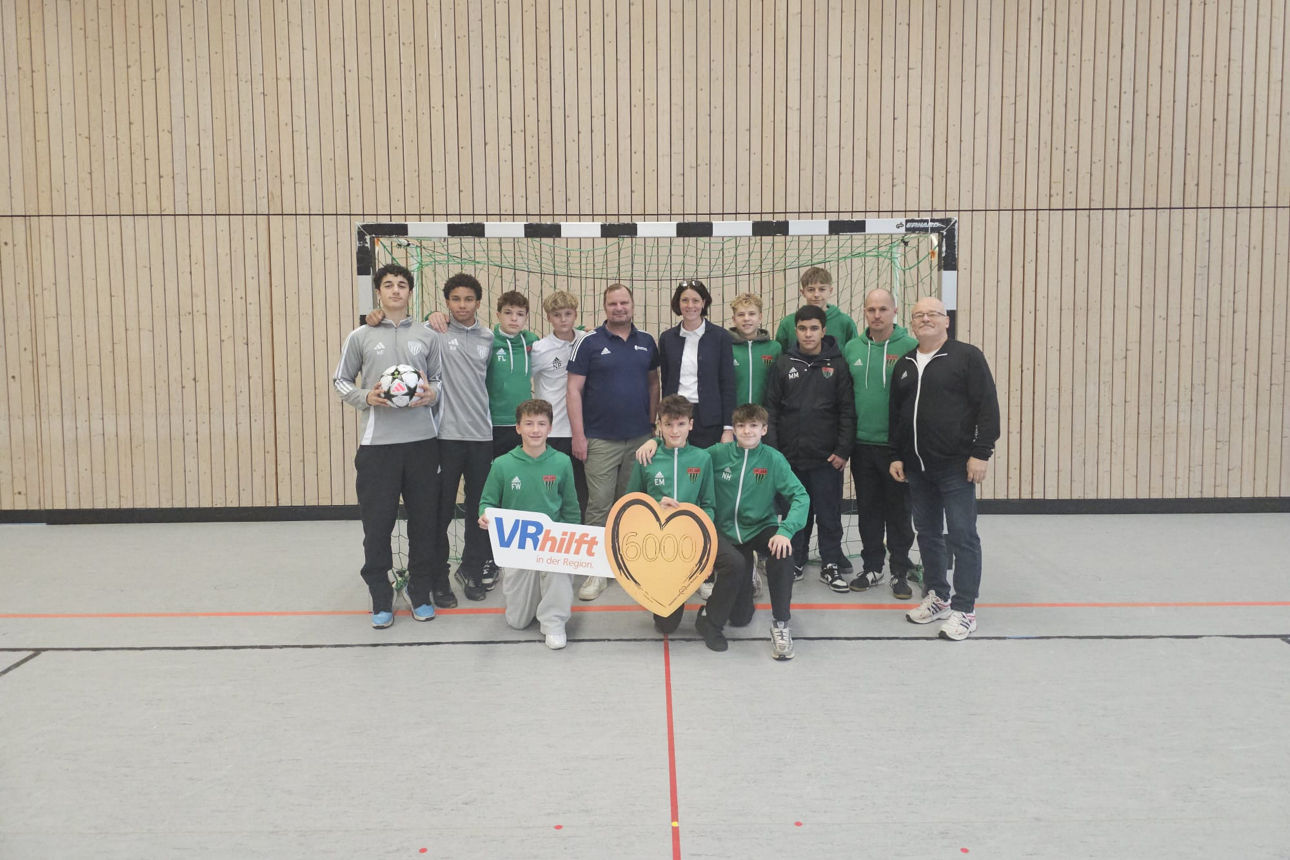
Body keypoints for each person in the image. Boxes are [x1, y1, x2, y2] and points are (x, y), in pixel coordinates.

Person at [637, 402, 810, 660]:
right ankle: (740, 581)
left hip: (761, 528)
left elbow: (801, 496)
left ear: (764, 430)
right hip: (725, 531)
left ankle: (781, 624)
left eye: (753, 426)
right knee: (738, 615)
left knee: (782, 552)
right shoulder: (716, 454)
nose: (747, 432)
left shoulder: (774, 460)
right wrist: (655, 443)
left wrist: (785, 530)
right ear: (734, 429)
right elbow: (684, 453)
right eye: (741, 426)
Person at [333, 264, 441, 628]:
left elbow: (439, 381)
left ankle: (419, 588)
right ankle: (381, 592)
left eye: (402, 285)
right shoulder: (361, 335)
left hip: (423, 445)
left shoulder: (426, 335)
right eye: (388, 285)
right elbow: (341, 381)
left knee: (424, 523)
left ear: (410, 293)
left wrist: (431, 394)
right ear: (378, 291)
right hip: (378, 448)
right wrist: (367, 397)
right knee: (377, 525)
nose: (395, 290)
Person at [889, 296, 1000, 641]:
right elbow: (896, 415)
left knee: (963, 536)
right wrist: (896, 454)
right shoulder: (905, 363)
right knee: (928, 533)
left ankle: (965, 609)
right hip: (917, 469)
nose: (925, 319)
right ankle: (938, 595)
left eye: (932, 314)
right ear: (911, 322)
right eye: (919, 315)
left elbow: (988, 409)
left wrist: (981, 453)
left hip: (956, 468)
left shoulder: (967, 357)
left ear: (946, 320)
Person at [566, 283, 660, 601]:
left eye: (624, 302)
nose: (619, 308)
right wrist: (579, 435)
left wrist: (652, 426)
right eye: (613, 303)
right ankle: (596, 570)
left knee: (632, 505)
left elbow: (653, 384)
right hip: (600, 440)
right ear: (605, 307)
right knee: (599, 505)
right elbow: (573, 390)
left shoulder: (647, 342)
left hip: (639, 439)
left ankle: (627, 562)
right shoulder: (589, 343)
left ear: (632, 305)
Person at [623, 395, 731, 647]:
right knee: (666, 624)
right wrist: (656, 509)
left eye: (681, 424)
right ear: (659, 425)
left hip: (694, 535)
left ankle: (710, 616)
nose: (674, 431)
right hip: (660, 543)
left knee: (734, 563)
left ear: (691, 425)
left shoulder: (702, 458)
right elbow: (630, 503)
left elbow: (709, 505)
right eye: (668, 424)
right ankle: (676, 582)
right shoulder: (646, 458)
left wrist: (696, 525)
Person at [764, 304, 856, 593]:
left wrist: (842, 450)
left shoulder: (837, 364)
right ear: (796, 330)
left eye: (813, 328)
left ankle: (830, 563)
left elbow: (847, 411)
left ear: (823, 330)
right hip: (790, 457)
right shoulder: (783, 362)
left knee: (829, 513)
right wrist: (775, 453)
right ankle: (796, 559)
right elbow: (771, 410)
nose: (808, 334)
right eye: (802, 328)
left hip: (827, 458)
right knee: (794, 512)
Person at [477, 399, 581, 650]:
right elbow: (487, 502)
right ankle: (534, 597)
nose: (535, 430)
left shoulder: (562, 462)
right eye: (529, 424)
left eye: (541, 424)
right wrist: (485, 516)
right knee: (518, 621)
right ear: (518, 428)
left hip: (551, 542)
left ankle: (554, 621)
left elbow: (571, 508)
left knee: (557, 573)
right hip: (517, 545)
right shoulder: (502, 464)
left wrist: (570, 543)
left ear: (550, 428)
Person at [843, 288, 921, 599]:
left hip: (897, 450)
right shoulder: (851, 349)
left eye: (883, 309)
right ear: (864, 312)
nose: (877, 315)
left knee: (899, 513)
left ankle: (900, 571)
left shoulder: (911, 346)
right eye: (871, 309)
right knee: (869, 511)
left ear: (895, 311)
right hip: (862, 446)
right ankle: (872, 566)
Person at [428, 273, 496, 605]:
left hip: (481, 437)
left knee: (477, 511)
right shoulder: (435, 332)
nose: (462, 305)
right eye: (456, 299)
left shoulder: (488, 337)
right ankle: (438, 577)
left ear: (478, 303)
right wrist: (429, 316)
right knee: (440, 510)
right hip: (445, 436)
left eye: (469, 299)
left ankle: (471, 570)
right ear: (446, 302)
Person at [529, 290, 589, 518]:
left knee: (580, 492)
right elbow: (522, 379)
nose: (563, 319)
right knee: (551, 491)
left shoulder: (587, 341)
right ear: (548, 318)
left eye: (568, 313)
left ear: (575, 315)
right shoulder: (539, 349)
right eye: (557, 315)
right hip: (553, 432)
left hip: (581, 431)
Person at [657, 280, 736, 448]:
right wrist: (663, 419)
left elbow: (728, 383)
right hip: (676, 417)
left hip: (709, 419)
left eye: (696, 300)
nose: (690, 305)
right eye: (685, 300)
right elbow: (666, 381)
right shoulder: (667, 338)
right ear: (678, 303)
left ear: (704, 303)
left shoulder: (720, 337)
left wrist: (728, 428)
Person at [774, 266, 859, 352]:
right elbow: (780, 357)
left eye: (822, 289)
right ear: (803, 292)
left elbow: (854, 354)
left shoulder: (845, 322)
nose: (816, 294)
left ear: (830, 290)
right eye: (811, 290)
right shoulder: (788, 323)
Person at [728, 293, 782, 407]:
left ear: (760, 317)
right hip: (734, 418)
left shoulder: (774, 348)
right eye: (741, 314)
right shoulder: (725, 347)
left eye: (752, 314)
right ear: (734, 319)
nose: (746, 318)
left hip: (763, 418)